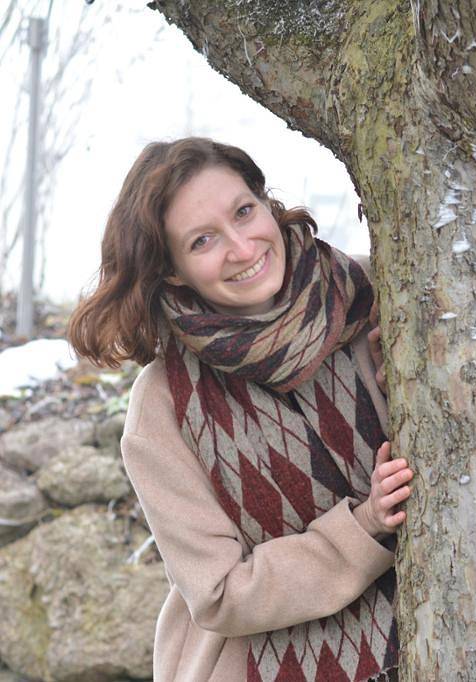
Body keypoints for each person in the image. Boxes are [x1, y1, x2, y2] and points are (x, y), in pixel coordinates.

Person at [66, 138, 411, 682]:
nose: (243, 248)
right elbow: (220, 593)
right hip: (257, 664)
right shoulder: (164, 405)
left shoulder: (378, 298)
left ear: (266, 203)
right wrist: (362, 529)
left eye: (244, 212)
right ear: (173, 270)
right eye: (203, 240)